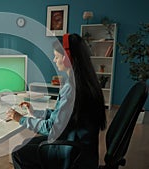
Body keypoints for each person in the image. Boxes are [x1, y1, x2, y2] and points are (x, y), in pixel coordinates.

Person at [7, 33, 106, 169]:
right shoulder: (86, 82)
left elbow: (51, 128)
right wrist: (35, 112)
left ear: (67, 58)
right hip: (81, 148)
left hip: (70, 151)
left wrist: (20, 119)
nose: (54, 60)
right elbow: (64, 116)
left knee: (18, 152)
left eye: (57, 56)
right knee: (26, 143)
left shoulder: (71, 88)